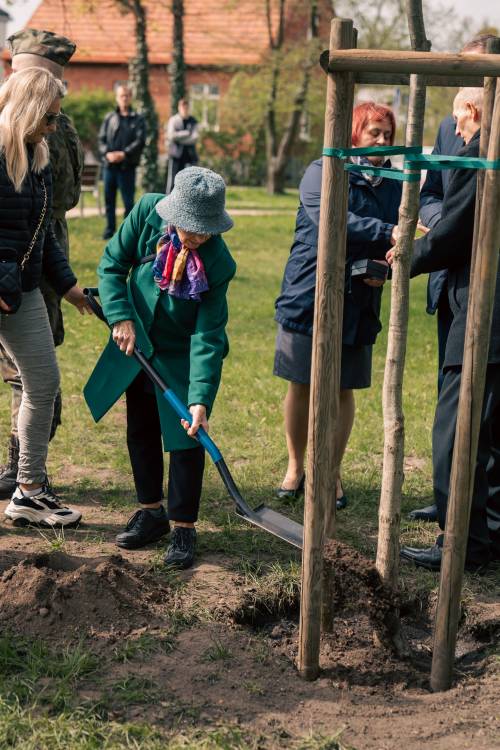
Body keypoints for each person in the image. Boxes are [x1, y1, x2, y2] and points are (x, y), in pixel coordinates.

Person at [84, 166, 236, 570]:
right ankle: (151, 512)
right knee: (141, 427)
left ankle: (183, 526)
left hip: (183, 351)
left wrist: (201, 399)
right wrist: (119, 316)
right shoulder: (147, 213)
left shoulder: (219, 262)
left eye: (205, 230)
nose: (197, 237)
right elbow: (112, 265)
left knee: (187, 436)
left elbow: (208, 335)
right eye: (190, 227)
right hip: (137, 337)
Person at [390, 88, 500, 571]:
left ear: (475, 111)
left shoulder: (483, 158)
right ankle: (488, 536)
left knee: (453, 437)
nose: (455, 131)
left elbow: (455, 232)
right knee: (491, 434)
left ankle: (463, 544)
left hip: (484, 314)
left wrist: (407, 256)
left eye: (459, 119)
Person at [273, 102, 401, 510]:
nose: (381, 141)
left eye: (387, 135)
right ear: (354, 135)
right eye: (374, 133)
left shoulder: (395, 182)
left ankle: (331, 471)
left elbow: (401, 239)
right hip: (310, 289)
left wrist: (390, 260)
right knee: (302, 382)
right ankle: (295, 466)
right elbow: (332, 218)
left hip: (361, 296)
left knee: (345, 387)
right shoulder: (322, 170)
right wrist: (390, 230)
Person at [0, 67, 91, 527]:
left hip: (23, 290)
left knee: (42, 382)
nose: (55, 126)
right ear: (28, 109)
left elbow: (43, 235)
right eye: (50, 117)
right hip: (4, 288)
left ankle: (29, 491)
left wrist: (69, 286)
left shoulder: (37, 157)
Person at [411, 33, 496, 524]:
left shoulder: (485, 138)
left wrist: (410, 255)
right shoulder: (452, 129)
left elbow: (461, 228)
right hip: (454, 286)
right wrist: (446, 218)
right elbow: (434, 193)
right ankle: (464, 513)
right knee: (469, 408)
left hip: (483, 291)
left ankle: (464, 527)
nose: (458, 112)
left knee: (465, 415)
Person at [99, 84, 146, 240]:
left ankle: (127, 233)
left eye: (127, 95)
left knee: (128, 203)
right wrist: (108, 154)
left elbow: (140, 141)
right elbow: (101, 140)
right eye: (121, 95)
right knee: (109, 201)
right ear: (117, 98)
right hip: (109, 167)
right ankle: (109, 229)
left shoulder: (138, 119)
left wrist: (124, 154)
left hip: (127, 168)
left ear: (130, 97)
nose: (124, 98)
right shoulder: (109, 118)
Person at [165, 98, 199, 194]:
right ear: (179, 108)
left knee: (190, 181)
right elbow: (171, 136)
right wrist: (186, 133)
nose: (184, 109)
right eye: (182, 107)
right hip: (176, 155)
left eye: (186, 107)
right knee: (172, 181)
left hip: (190, 156)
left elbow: (195, 138)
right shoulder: (173, 120)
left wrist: (179, 139)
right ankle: (168, 202)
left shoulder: (193, 121)